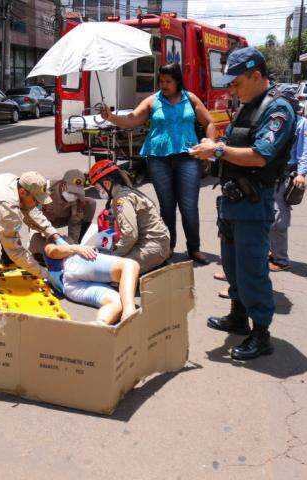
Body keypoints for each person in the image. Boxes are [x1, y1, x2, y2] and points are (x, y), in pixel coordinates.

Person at [190, 47, 296, 360]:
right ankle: (238, 316)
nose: (231, 90)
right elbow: (235, 142)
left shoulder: (277, 109)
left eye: (236, 83)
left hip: (253, 201)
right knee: (232, 265)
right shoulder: (249, 105)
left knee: (252, 270)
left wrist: (217, 151)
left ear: (256, 75)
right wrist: (214, 146)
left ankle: (261, 334)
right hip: (233, 199)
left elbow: (260, 155)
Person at [99, 63, 216, 265]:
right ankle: (167, 247)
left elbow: (209, 123)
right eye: (161, 81)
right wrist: (110, 117)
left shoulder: (190, 99)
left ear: (177, 81)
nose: (164, 85)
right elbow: (132, 119)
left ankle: (194, 248)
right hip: (158, 159)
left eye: (168, 81)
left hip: (188, 157)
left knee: (189, 206)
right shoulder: (153, 101)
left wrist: (210, 142)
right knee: (167, 206)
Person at [88, 160, 171, 274]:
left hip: (152, 247)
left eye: (98, 188)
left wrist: (113, 254)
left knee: (109, 269)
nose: (99, 192)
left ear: (106, 184)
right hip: (154, 242)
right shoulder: (126, 191)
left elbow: (130, 234)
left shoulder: (122, 200)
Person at [43, 239, 139, 325]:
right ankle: (130, 312)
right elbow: (52, 251)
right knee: (130, 265)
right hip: (73, 266)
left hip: (70, 288)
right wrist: (76, 248)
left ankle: (99, 325)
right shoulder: (52, 241)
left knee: (119, 301)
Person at [269, 104, 307, 272]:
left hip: (287, 172)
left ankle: (281, 259)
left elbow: (305, 149)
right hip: (268, 171)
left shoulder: (300, 122)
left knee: (279, 219)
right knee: (266, 214)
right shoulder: (273, 119)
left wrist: (301, 173)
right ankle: (272, 251)